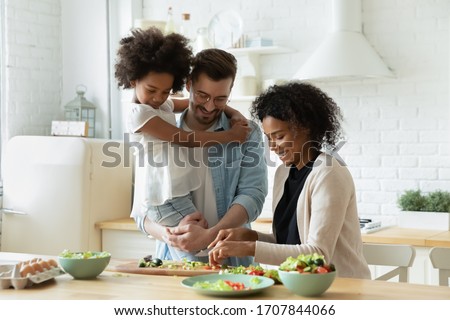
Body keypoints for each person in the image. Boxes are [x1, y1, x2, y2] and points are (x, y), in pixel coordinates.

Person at [207, 82, 371, 279]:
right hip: (300, 287)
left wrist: (249, 248)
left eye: (279, 136)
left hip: (341, 289)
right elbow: (287, 242)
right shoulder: (284, 172)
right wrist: (248, 236)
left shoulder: (329, 173)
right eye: (269, 138)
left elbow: (318, 254)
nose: (273, 147)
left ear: (306, 128)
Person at [115, 27, 250, 260]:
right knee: (196, 254)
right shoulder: (139, 114)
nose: (159, 97)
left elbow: (186, 103)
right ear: (133, 79)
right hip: (163, 198)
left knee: (199, 252)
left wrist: (233, 112)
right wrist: (230, 137)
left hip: (176, 194)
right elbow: (184, 139)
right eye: (151, 90)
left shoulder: (161, 105)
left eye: (166, 91)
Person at [133, 48, 268, 267]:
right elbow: (141, 209)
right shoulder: (157, 130)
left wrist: (210, 235)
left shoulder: (246, 133)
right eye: (202, 95)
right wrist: (169, 235)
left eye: (220, 99)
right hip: (173, 261)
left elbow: (253, 195)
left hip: (233, 261)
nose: (209, 106)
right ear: (188, 85)